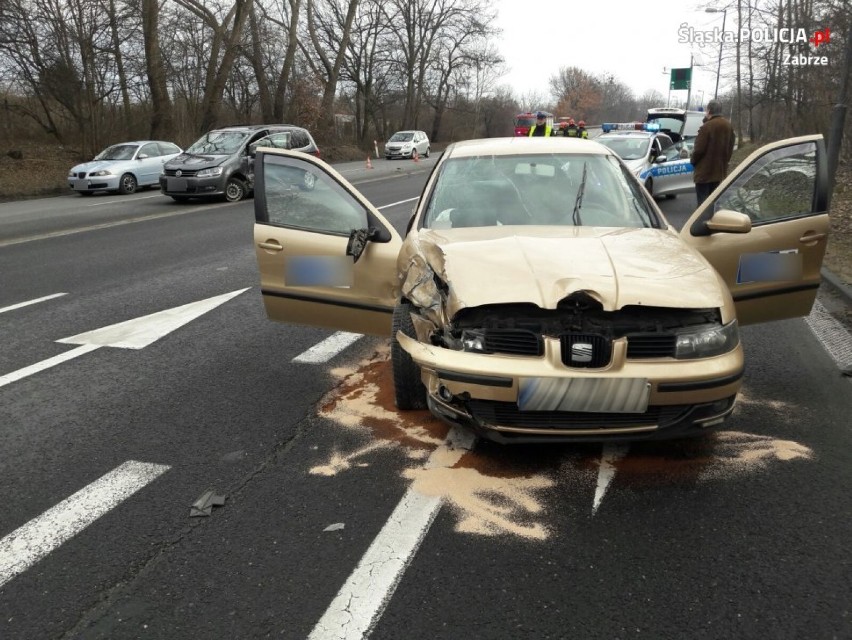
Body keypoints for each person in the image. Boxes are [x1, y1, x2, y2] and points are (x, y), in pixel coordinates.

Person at [690, 100, 736, 207]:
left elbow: (699, 150)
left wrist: (693, 161)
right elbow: (730, 147)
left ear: (709, 110)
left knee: (703, 205)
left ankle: (702, 223)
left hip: (704, 173)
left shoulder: (707, 127)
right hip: (719, 171)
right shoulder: (728, 126)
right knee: (714, 203)